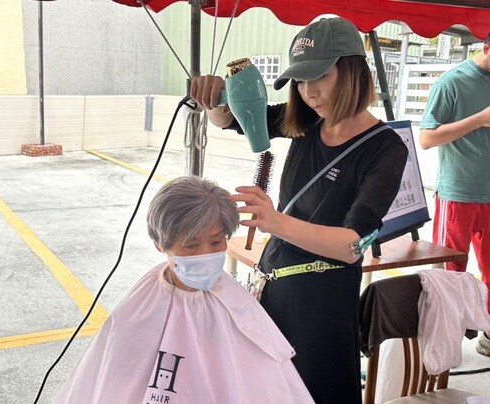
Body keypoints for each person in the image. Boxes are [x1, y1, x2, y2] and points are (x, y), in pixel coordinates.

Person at [191, 17, 408, 404]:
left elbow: (352, 245)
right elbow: (234, 121)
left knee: (316, 391)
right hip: (275, 287)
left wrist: (274, 221)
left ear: (353, 71)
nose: (309, 92)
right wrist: (217, 99)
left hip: (323, 303)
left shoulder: (386, 149)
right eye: (301, 81)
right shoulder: (305, 122)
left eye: (319, 77)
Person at [56, 176, 314, 403]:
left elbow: (265, 382)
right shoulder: (142, 305)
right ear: (161, 245)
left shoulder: (236, 304)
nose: (206, 254)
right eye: (191, 246)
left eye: (216, 242)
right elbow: (115, 378)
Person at [419, 33, 490, 357]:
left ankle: (487, 336)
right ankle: (443, 349)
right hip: (459, 193)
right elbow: (426, 138)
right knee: (449, 276)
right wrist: (480, 119)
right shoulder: (452, 82)